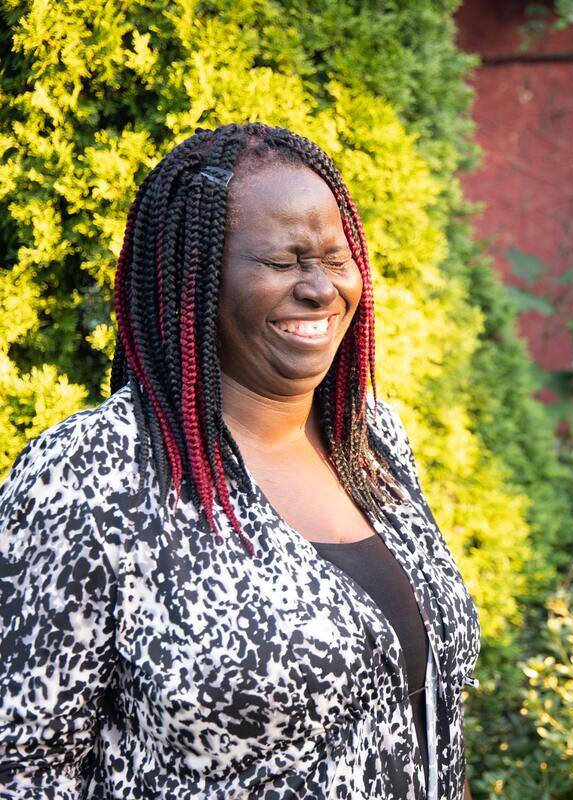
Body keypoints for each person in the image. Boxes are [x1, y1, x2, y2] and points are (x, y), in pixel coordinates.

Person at [0, 123, 480, 799]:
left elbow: (428, 723)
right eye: (283, 263)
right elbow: (24, 766)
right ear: (193, 280)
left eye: (335, 259)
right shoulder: (92, 476)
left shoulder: (370, 441)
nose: (320, 289)